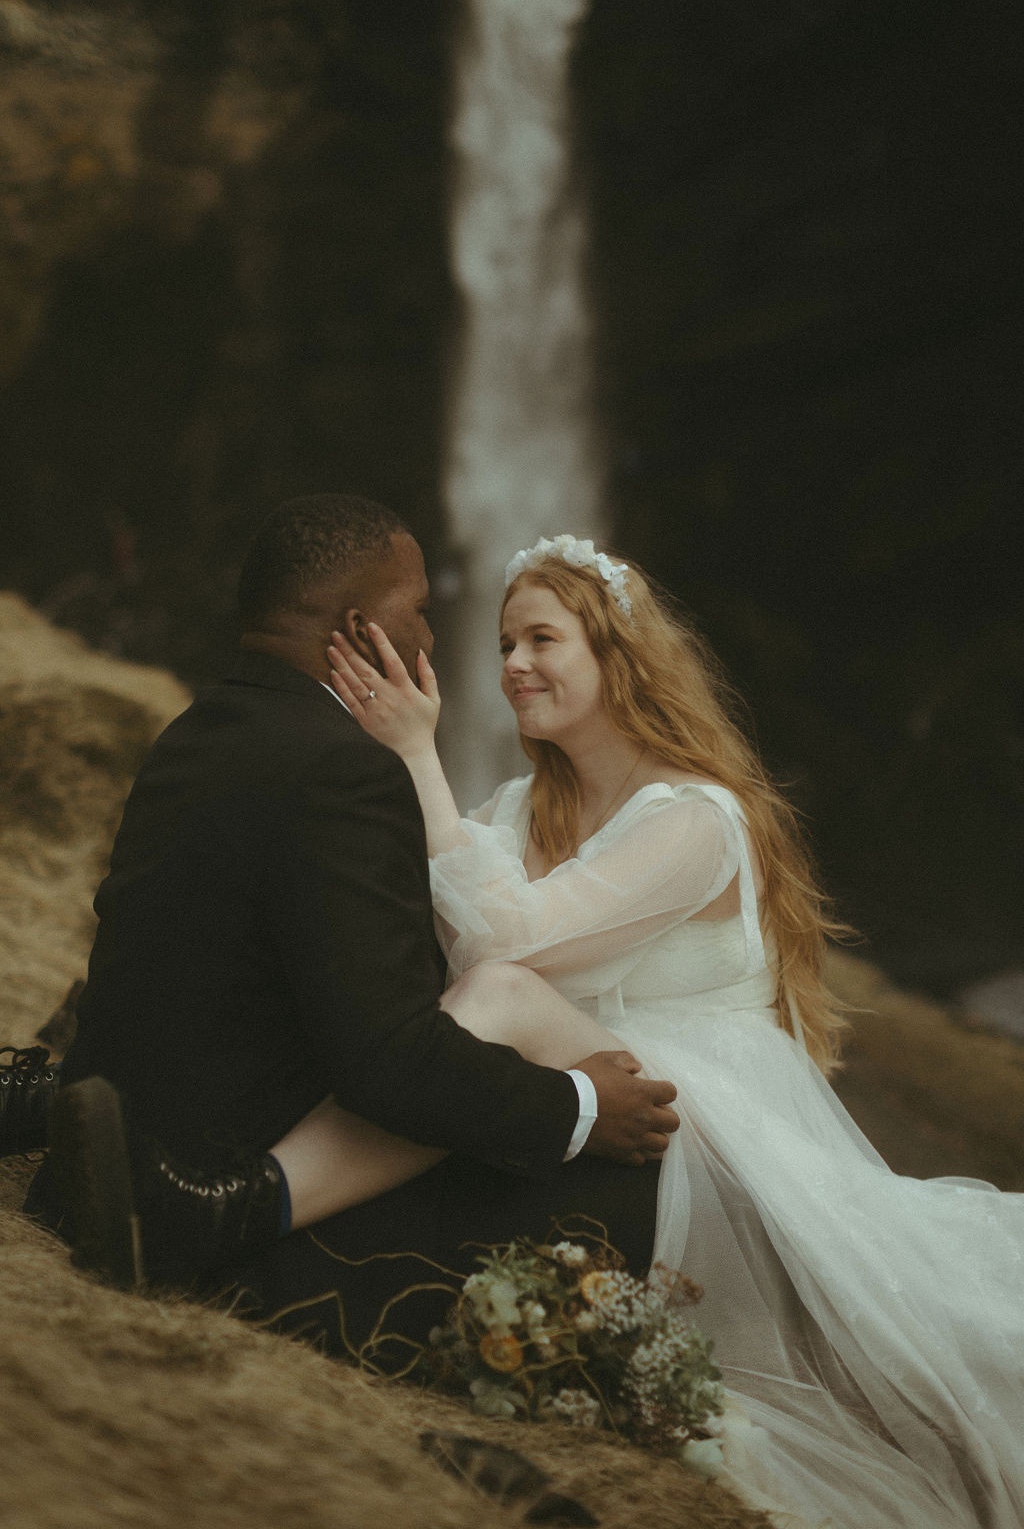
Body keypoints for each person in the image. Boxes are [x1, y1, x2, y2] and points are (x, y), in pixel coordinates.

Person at [243, 533, 1024, 1529]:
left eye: (541, 639)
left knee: (500, 993)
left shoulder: (698, 820)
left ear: (616, 653)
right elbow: (420, 923)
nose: (513, 665)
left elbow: (501, 937)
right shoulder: (521, 807)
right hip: (581, 1091)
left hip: (697, 1119)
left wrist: (412, 754)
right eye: (503, 643)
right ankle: (258, 1202)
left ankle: (252, 1200)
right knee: (466, 1005)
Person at [23, 497, 678, 1349]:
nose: (436, 641)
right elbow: (391, 1063)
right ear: (364, 627)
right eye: (421, 612)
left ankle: (35, 1098)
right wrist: (584, 1105)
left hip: (155, 1128)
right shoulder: (344, 773)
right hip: (234, 1192)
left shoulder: (196, 732)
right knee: (638, 1205)